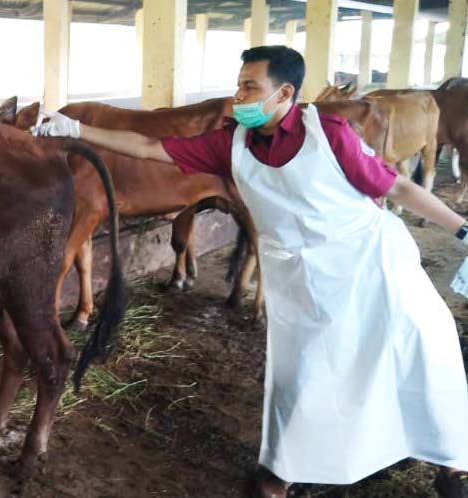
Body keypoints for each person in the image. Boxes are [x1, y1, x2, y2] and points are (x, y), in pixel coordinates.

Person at [33, 46, 468, 498]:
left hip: (369, 259)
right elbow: (148, 147)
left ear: (284, 93)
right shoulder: (231, 143)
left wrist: (461, 229)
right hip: (300, 278)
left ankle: (451, 461)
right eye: (239, 85)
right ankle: (283, 469)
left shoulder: (329, 133)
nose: (238, 96)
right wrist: (76, 128)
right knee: (303, 370)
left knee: (420, 343)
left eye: (249, 86)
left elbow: (395, 186)